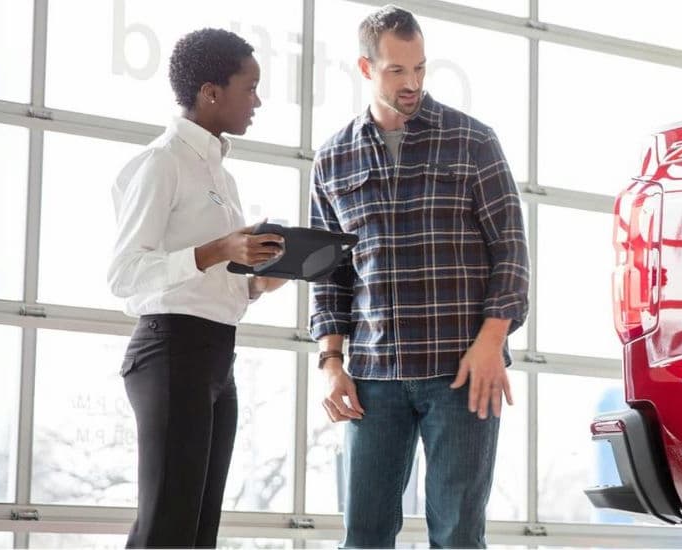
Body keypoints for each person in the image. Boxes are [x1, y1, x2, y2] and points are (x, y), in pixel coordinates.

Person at [309, 5, 529, 548]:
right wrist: (331, 363)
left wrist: (491, 342)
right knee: (363, 536)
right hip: (373, 378)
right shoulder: (333, 158)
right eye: (396, 71)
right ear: (365, 69)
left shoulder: (472, 141)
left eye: (420, 69)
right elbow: (329, 276)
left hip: (462, 372)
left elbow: (512, 253)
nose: (412, 84)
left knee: (457, 535)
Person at [107, 28, 288, 548]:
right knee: (166, 530)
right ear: (211, 92)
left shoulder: (220, 176)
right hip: (170, 352)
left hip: (214, 354)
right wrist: (217, 251)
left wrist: (257, 284)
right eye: (249, 87)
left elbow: (204, 280)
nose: (258, 100)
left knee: (198, 533)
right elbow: (125, 274)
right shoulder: (162, 162)